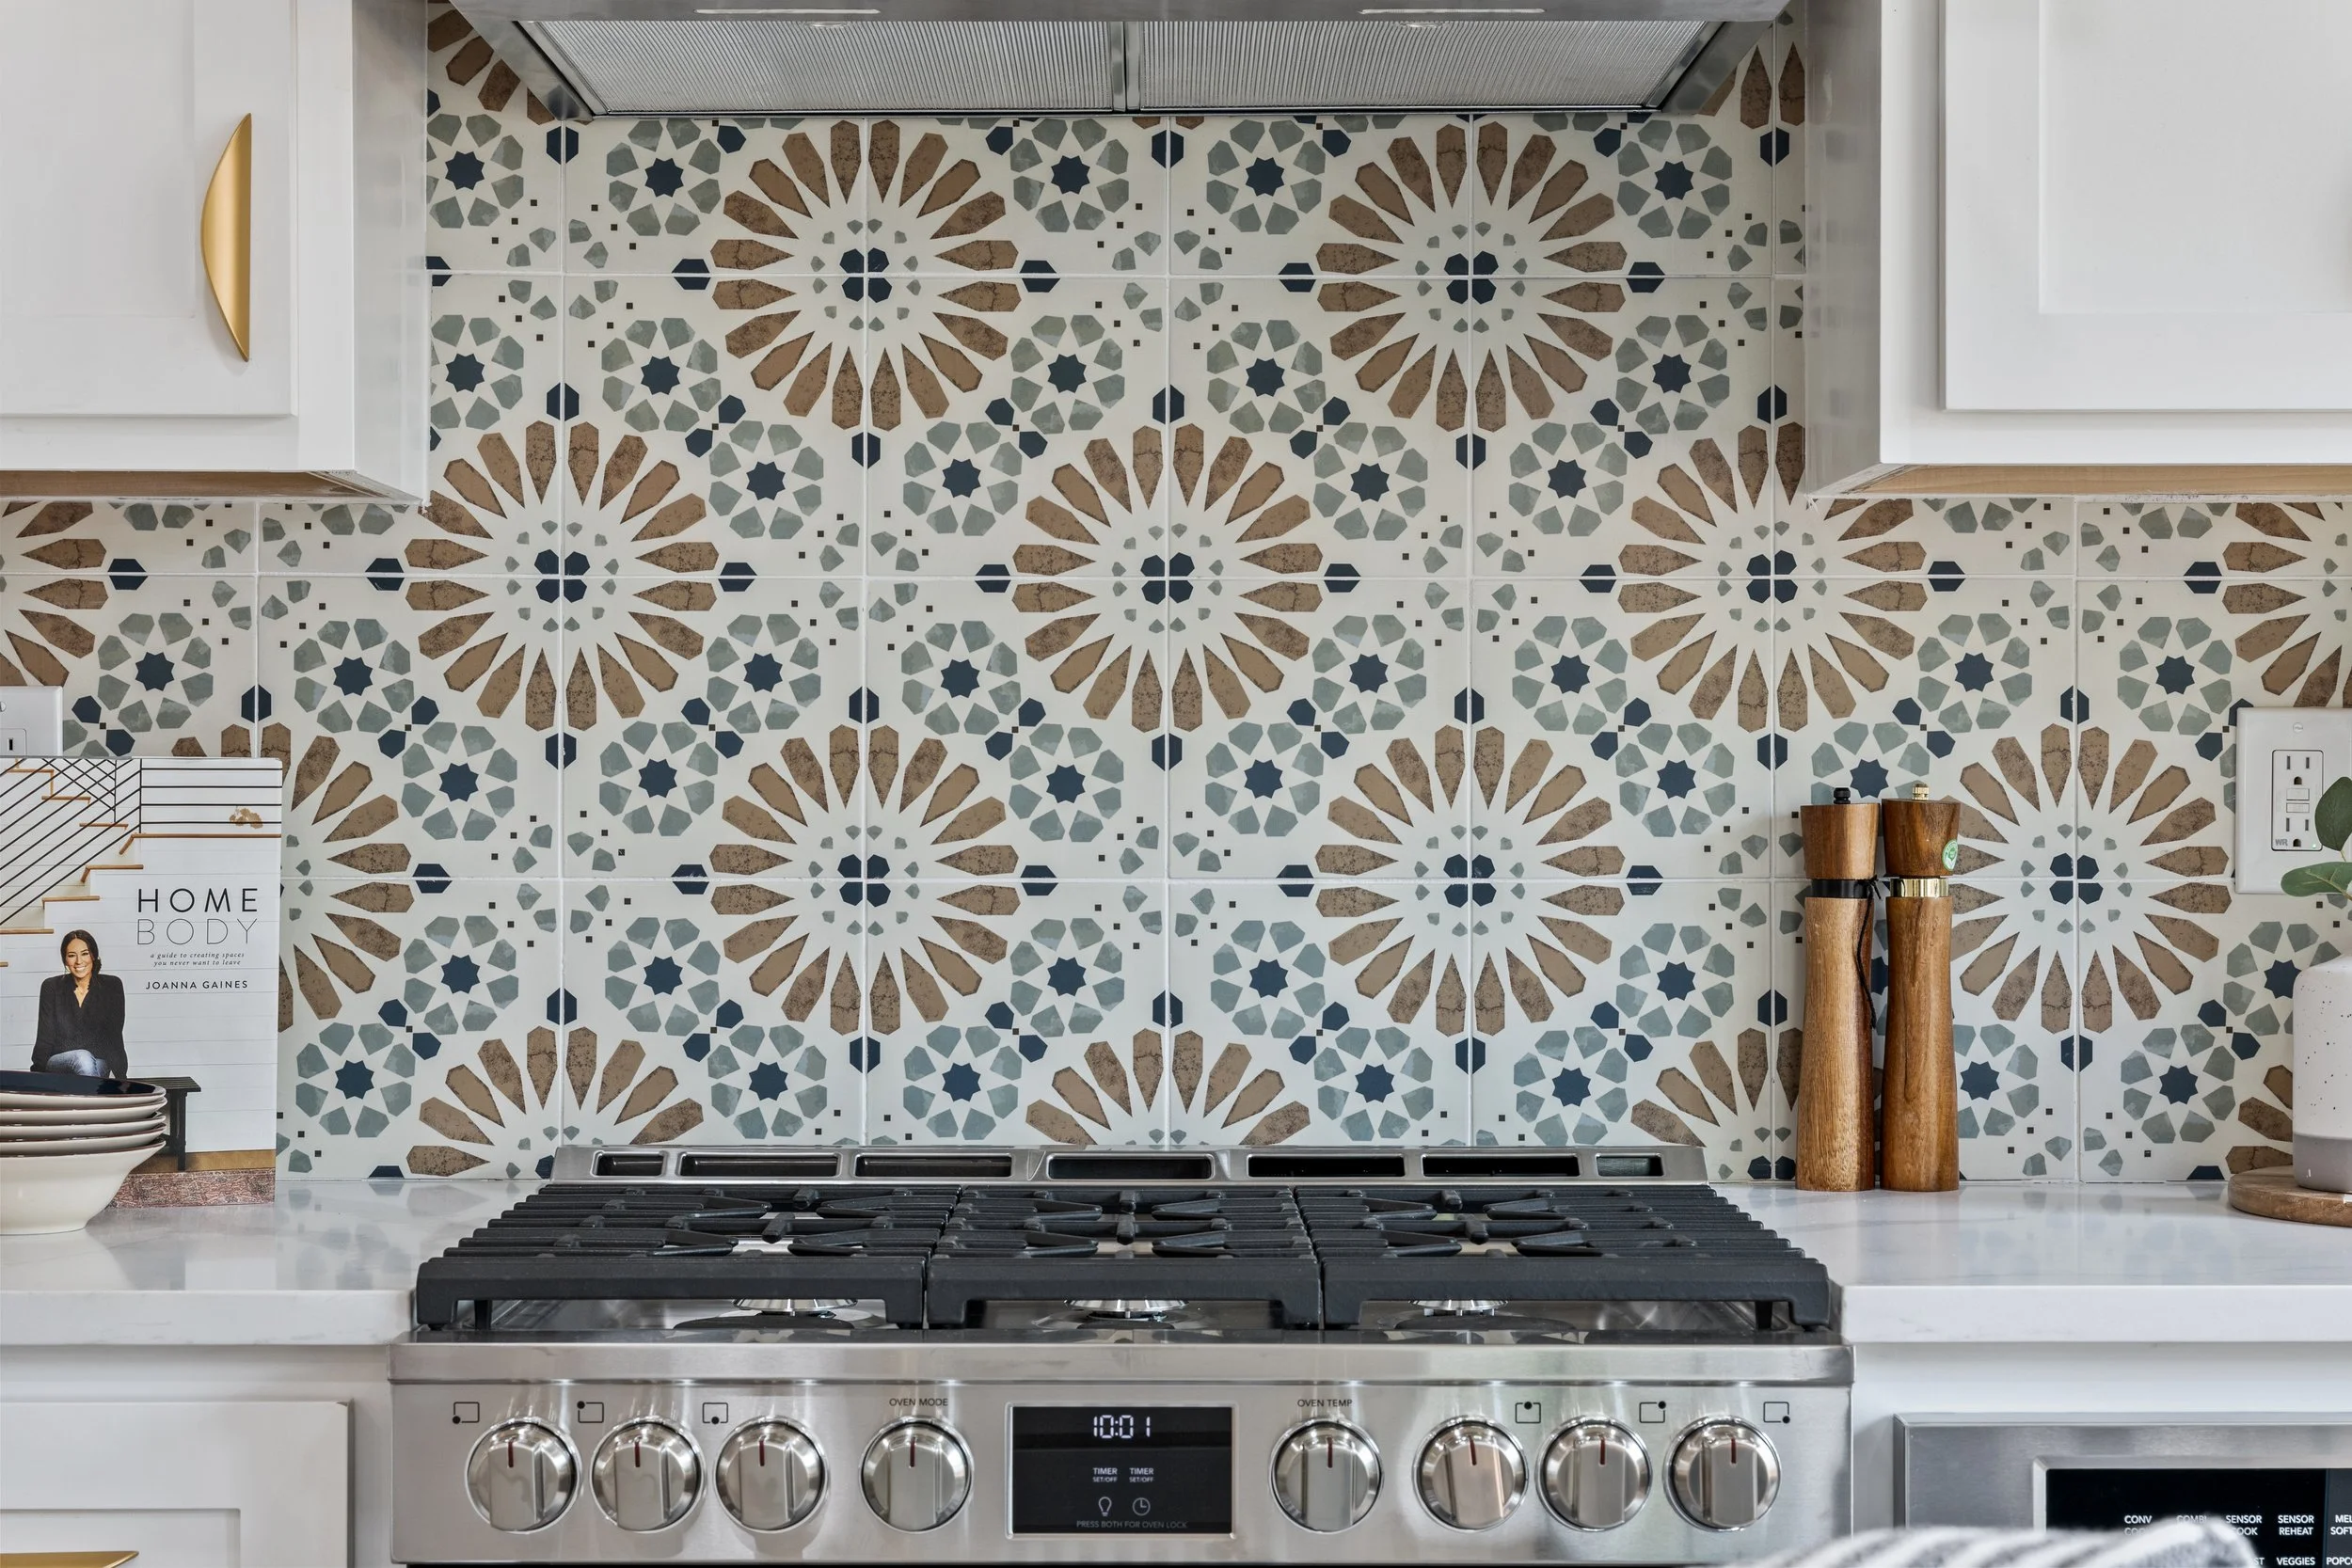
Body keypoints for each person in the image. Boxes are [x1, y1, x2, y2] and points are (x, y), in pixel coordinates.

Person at [32, 929, 127, 1080]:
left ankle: (88, 1101)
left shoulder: (112, 986)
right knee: (82, 1057)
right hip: (58, 1061)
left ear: (93, 955)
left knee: (90, 1063)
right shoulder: (51, 987)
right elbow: (45, 1036)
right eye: (71, 955)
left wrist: (122, 1077)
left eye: (84, 953)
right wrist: (36, 1076)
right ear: (65, 960)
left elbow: (114, 1036)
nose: (78, 961)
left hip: (98, 1061)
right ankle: (96, 1102)